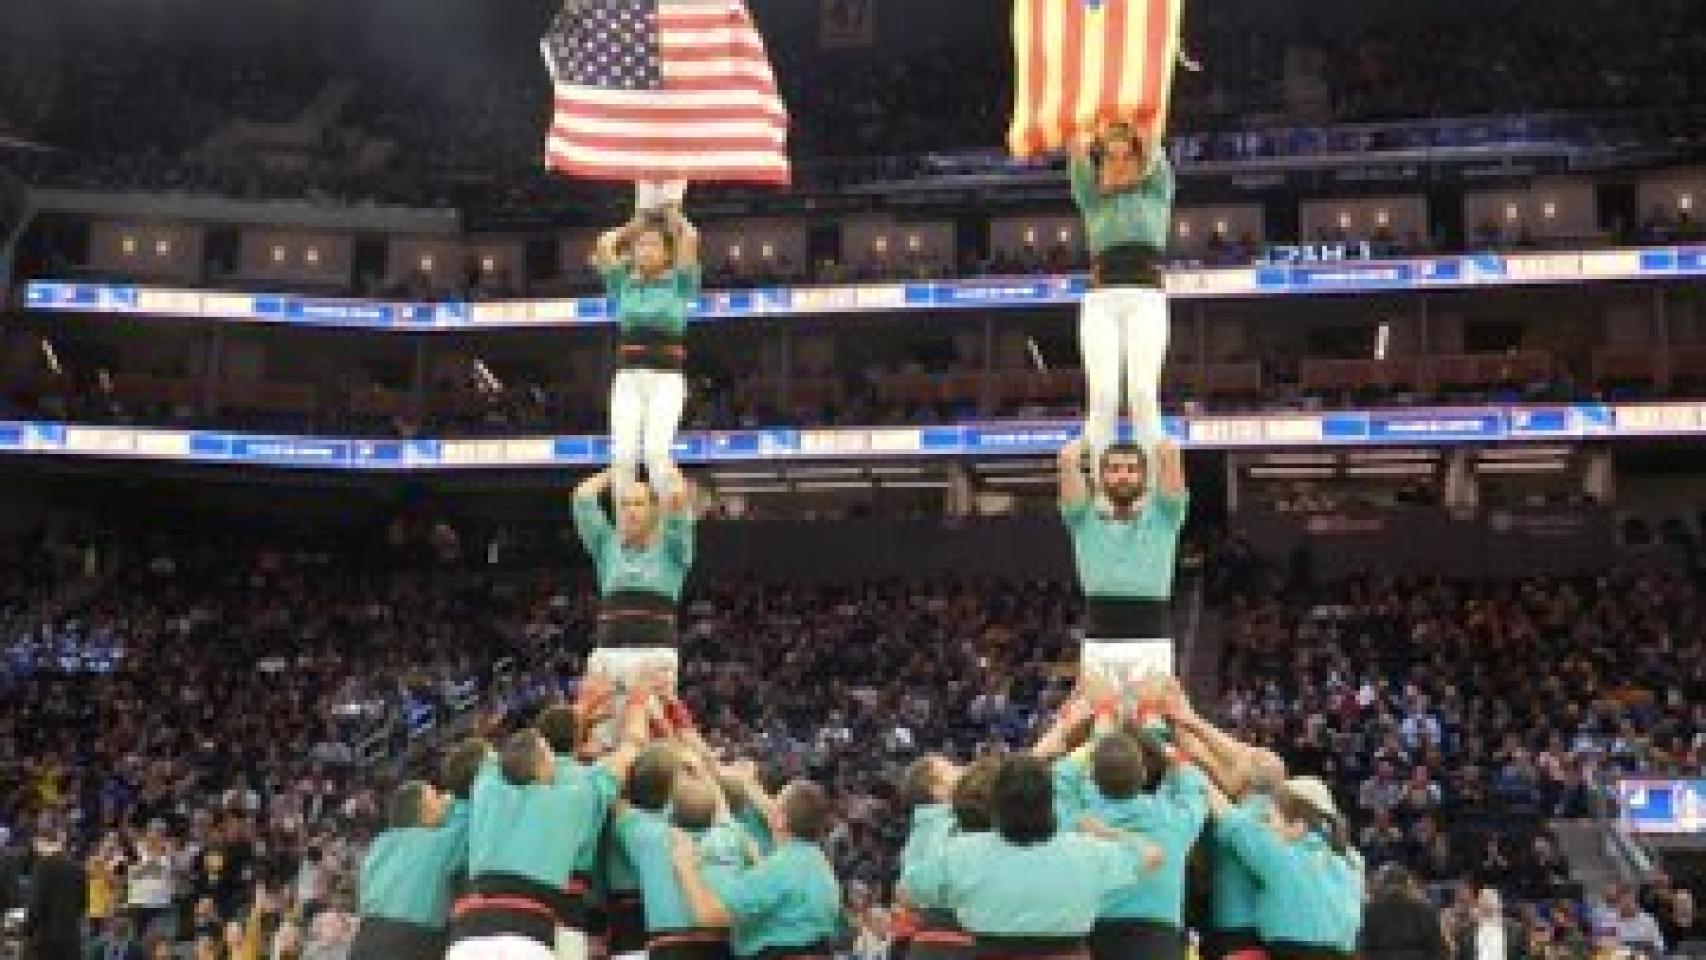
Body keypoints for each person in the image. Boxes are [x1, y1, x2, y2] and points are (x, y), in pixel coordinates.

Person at [445, 674, 652, 960]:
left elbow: (529, 746)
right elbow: (631, 748)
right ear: (544, 767)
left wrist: (582, 707)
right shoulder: (577, 794)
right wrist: (638, 701)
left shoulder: (485, 785)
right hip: (533, 933)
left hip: (466, 935)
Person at [900, 755, 1164, 959]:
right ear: (1051, 803)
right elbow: (1152, 856)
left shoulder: (962, 853)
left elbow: (910, 890)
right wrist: (1106, 831)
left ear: (997, 806)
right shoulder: (1088, 851)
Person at [1066, 120, 1176, 456]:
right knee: (1103, 396)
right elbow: (1075, 146)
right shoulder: (1091, 198)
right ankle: (1102, 495)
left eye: (1127, 157)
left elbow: (1152, 139)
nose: (1118, 164)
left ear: (1140, 164)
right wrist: (1088, 121)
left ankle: (1154, 490)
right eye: (1110, 158)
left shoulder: (1157, 190)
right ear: (1100, 167)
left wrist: (1132, 117)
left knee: (1143, 393)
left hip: (1147, 301)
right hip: (1101, 302)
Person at [591, 204, 702, 502]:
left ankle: (669, 528)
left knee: (656, 454)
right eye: (640, 245)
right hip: (628, 379)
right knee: (623, 456)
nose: (645, 250)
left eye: (653, 244)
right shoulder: (622, 284)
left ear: (668, 253)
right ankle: (626, 532)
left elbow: (691, 236)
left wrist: (672, 215)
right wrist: (634, 225)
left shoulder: (680, 283)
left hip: (667, 380)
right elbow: (604, 243)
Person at [1057, 436, 1188, 680]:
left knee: (1152, 719)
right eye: (1114, 469)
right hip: (1099, 644)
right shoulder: (1082, 519)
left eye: (1131, 469)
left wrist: (1157, 440)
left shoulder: (1165, 516)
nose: (1123, 476)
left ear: (1144, 477)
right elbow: (1066, 459)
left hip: (1152, 644)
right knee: (1102, 719)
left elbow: (1171, 454)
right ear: (1101, 477)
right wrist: (1088, 440)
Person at [670, 780, 845, 960]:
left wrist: (686, 865)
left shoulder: (780, 868)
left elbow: (710, 916)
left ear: (781, 819)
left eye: (775, 804)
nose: (770, 809)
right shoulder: (821, 866)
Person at [1205, 777, 1360, 960]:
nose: (1265, 828)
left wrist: (1193, 774)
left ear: (1298, 826)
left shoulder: (1284, 856)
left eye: (1269, 820)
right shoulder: (1349, 863)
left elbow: (1233, 821)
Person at [573, 468, 698, 692]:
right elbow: (583, 497)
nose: (630, 511)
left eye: (638, 504)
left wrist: (666, 467)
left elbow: (678, 501)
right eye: (625, 504)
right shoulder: (606, 546)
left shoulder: (673, 551)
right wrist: (617, 467)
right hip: (607, 656)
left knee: (644, 726)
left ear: (654, 510)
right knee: (596, 727)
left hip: (653, 658)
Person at [349, 779, 470, 960]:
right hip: (410, 942)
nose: (443, 800)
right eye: (436, 797)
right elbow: (467, 819)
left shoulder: (380, 844)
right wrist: (455, 802)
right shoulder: (436, 843)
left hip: (365, 939)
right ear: (424, 811)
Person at [1360, 864, 1448, 960]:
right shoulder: (1425, 910)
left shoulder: (1371, 911)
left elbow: (1366, 949)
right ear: (1407, 883)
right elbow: (1437, 949)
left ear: (1381, 884)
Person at [22, 831, 85, 960]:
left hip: (46, 942)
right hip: (71, 940)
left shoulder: (42, 867)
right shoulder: (78, 868)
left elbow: (36, 905)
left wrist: (27, 930)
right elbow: (82, 904)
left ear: (43, 843)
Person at [1450, 888, 1526, 960]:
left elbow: (1522, 955)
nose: (1488, 908)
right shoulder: (1466, 932)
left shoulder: (1515, 930)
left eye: (1491, 905)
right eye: (1484, 905)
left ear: (1499, 905)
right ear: (1479, 907)